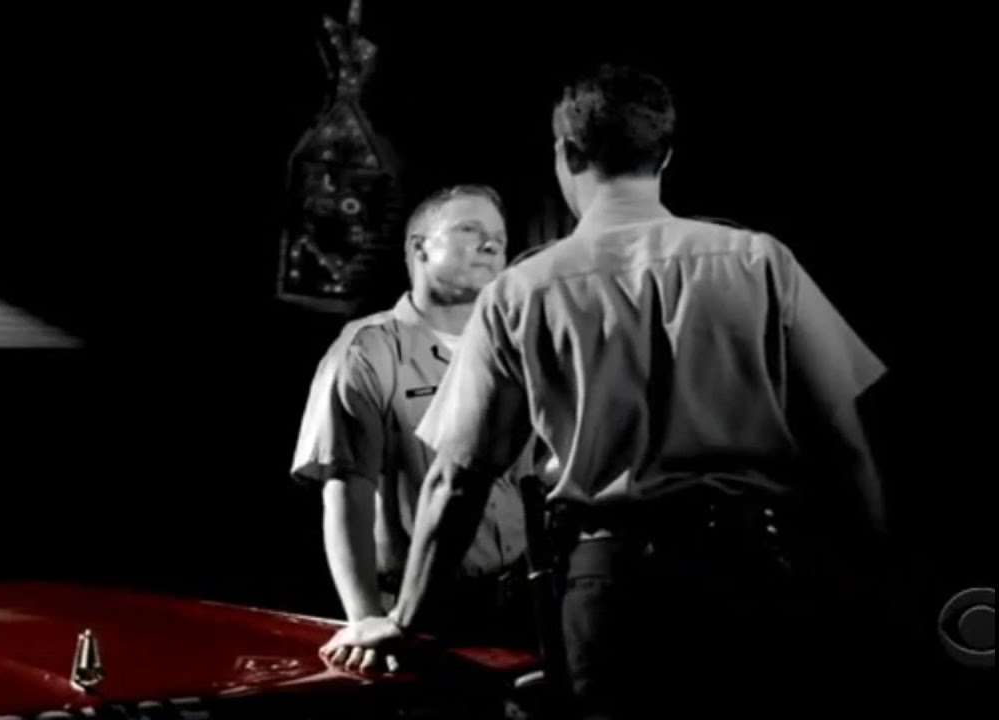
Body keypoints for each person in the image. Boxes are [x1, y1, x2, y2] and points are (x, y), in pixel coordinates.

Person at [321, 65, 889, 718]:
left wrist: (407, 620)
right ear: (665, 155)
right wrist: (874, 593)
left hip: (614, 588)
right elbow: (846, 449)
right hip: (755, 577)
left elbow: (457, 478)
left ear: (566, 153)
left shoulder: (522, 291)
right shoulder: (761, 261)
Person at [291, 185, 534, 675]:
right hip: (414, 615)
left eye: (499, 237)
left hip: (517, 609)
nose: (491, 245)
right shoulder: (367, 351)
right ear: (420, 248)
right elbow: (348, 494)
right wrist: (367, 620)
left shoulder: (516, 350)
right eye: (469, 230)